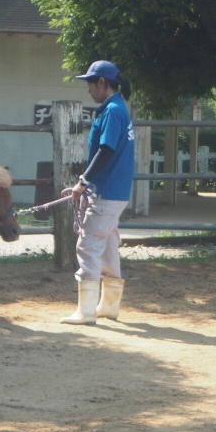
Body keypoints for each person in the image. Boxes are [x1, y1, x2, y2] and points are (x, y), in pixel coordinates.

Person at [62, 60, 136, 325]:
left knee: (88, 244)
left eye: (90, 83)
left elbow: (106, 150)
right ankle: (109, 306)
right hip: (116, 190)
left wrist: (83, 182)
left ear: (102, 82)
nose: (89, 89)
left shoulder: (112, 111)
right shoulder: (117, 107)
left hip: (106, 191)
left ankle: (86, 311)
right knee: (108, 246)